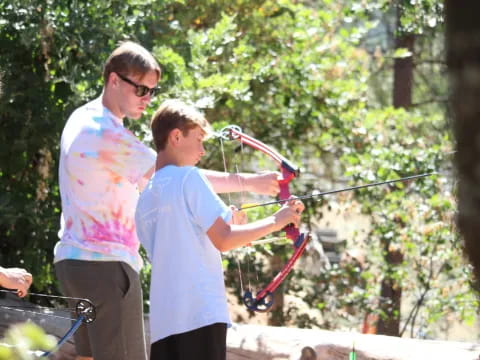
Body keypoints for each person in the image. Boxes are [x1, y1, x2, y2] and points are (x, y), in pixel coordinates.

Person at [54, 41, 280, 360]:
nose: (147, 98)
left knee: (88, 357)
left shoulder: (81, 118)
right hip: (105, 266)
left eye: (152, 91)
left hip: (74, 264)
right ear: (114, 80)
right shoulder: (103, 132)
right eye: (141, 89)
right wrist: (251, 182)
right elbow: (172, 172)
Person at [135, 99, 305, 360]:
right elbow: (224, 239)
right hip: (199, 317)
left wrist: (235, 225)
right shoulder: (189, 177)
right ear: (176, 137)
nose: (203, 150)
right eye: (199, 139)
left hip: (163, 325)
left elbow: (188, 239)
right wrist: (279, 220)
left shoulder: (144, 197)